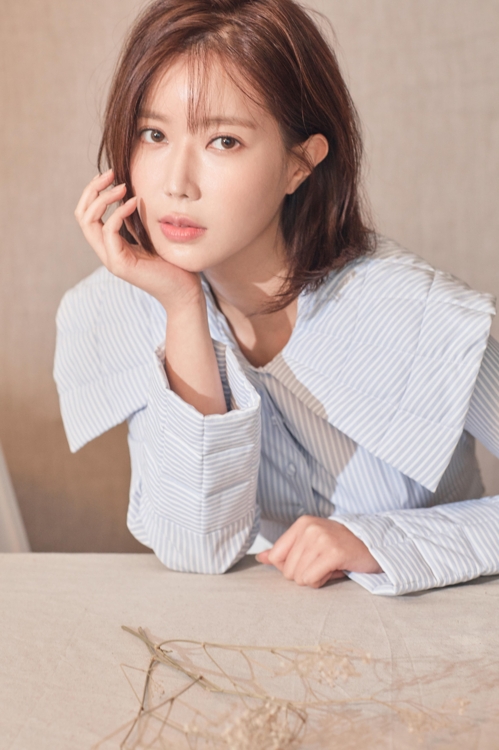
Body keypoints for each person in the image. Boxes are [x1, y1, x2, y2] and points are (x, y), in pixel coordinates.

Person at [54, 0, 499, 596]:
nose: (176, 183)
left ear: (300, 163)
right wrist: (182, 307)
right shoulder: (130, 307)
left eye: (224, 141)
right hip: (257, 640)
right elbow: (197, 550)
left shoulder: (412, 312)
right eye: (154, 134)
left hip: (438, 636)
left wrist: (382, 541)